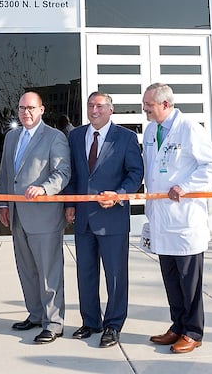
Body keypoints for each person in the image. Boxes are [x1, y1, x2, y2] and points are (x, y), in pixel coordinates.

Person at [141, 83, 212, 355]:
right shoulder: (152, 130)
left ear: (165, 104)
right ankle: (177, 326)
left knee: (189, 282)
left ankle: (193, 332)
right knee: (171, 279)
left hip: (185, 219)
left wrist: (186, 186)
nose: (145, 109)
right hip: (162, 219)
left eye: (149, 105)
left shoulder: (189, 128)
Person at [65, 91, 143, 349]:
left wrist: (120, 195)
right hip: (84, 218)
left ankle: (113, 324)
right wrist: (70, 204)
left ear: (111, 110)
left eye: (100, 106)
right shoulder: (76, 136)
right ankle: (90, 321)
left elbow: (135, 174)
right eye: (90, 105)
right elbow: (74, 175)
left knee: (115, 275)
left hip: (112, 218)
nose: (94, 110)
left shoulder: (127, 138)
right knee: (85, 273)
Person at [0, 91, 71, 344]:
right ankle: (36, 314)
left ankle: (54, 322)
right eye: (21, 108)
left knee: (49, 272)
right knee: (27, 270)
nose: (25, 112)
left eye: (30, 108)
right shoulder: (11, 137)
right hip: (17, 215)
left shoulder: (55, 137)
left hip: (44, 217)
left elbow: (63, 171)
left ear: (41, 110)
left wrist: (44, 188)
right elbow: (7, 174)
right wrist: (3, 205)